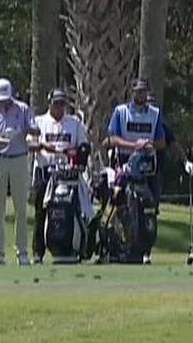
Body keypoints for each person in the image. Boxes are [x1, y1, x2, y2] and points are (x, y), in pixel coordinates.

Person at [104, 78, 167, 263]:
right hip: (124, 162)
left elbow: (161, 142)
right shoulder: (121, 112)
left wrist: (148, 144)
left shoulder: (154, 114)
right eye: (138, 91)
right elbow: (112, 138)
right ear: (132, 93)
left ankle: (145, 248)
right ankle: (122, 244)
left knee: (149, 207)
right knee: (122, 204)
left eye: (144, 91)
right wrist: (134, 145)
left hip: (148, 164)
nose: (141, 95)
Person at [30, 86, 91, 263]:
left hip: (67, 174)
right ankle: (37, 252)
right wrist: (43, 146)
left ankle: (75, 245)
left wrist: (76, 153)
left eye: (62, 104)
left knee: (73, 210)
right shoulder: (39, 122)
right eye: (56, 103)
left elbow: (83, 146)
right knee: (41, 212)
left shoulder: (74, 123)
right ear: (49, 103)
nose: (59, 107)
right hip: (45, 172)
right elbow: (29, 145)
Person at [0, 77, 34, 266]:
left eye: (6, 98)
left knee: (20, 208)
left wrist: (22, 130)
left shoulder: (23, 109)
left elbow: (35, 130)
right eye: (0, 99)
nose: (3, 102)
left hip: (19, 159)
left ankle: (22, 253)